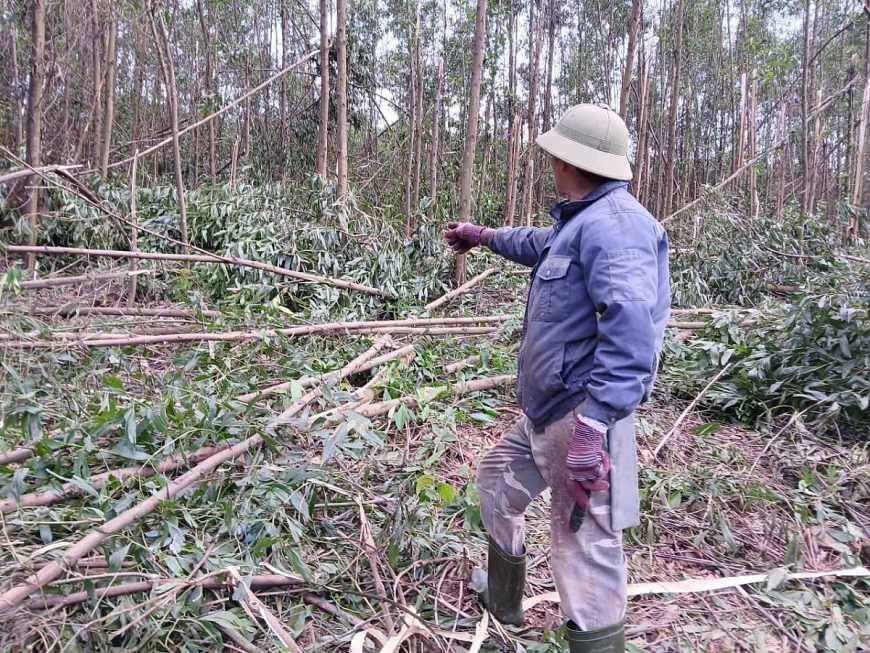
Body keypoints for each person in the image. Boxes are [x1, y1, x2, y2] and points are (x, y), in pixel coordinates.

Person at [444, 103, 670, 652]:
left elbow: (633, 330)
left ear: (568, 160)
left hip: (583, 417)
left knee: (586, 545)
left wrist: (596, 426)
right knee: (496, 486)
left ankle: (596, 643)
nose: (548, 160)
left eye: (553, 153)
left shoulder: (617, 228)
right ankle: (503, 604)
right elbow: (535, 243)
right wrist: (481, 234)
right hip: (548, 413)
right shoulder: (581, 220)